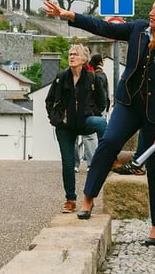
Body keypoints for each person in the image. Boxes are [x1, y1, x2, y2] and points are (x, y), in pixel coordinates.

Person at [44, 0, 155, 245]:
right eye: (151, 8)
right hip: (128, 104)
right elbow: (103, 27)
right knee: (108, 142)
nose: (152, 13)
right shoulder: (138, 29)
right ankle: (88, 197)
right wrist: (70, 16)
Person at [45, 44, 108, 213]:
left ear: (84, 59)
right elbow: (49, 101)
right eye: (70, 54)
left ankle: (108, 156)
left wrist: (90, 113)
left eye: (76, 54)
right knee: (68, 163)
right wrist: (55, 118)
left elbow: (102, 102)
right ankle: (70, 199)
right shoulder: (61, 77)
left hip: (84, 121)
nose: (72, 57)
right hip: (65, 125)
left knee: (101, 123)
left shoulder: (92, 78)